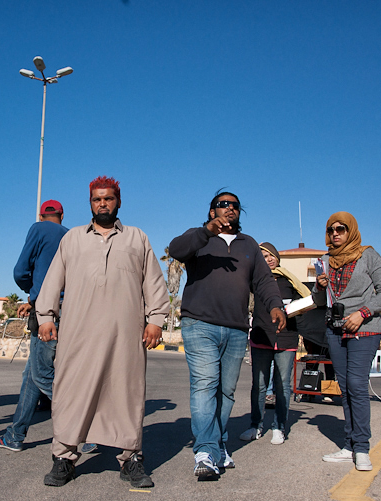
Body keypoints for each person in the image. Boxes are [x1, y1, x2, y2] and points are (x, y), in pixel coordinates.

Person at [35, 176, 169, 489]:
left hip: (125, 335)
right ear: (91, 203)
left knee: (126, 393)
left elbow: (153, 282)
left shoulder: (137, 238)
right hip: (77, 334)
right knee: (71, 392)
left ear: (118, 201)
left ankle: (131, 459)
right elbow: (53, 280)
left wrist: (156, 320)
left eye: (108, 199)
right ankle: (64, 458)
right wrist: (46, 316)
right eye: (97, 199)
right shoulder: (73, 240)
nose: (103, 204)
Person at [169, 191, 286, 479]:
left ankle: (219, 444)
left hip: (235, 328)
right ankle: (206, 450)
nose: (229, 209)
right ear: (212, 212)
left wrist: (275, 305)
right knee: (205, 385)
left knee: (226, 391)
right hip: (200, 324)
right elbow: (175, 249)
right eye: (223, 205)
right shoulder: (198, 237)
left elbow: (263, 281)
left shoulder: (249, 246)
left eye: (234, 206)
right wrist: (206, 232)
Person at [0, 200, 96, 454]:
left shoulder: (38, 229)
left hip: (46, 313)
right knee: (31, 375)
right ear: (61, 215)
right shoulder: (72, 236)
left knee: (42, 375)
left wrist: (33, 294)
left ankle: (87, 430)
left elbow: (19, 271)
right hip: (70, 311)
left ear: (41, 215)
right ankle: (15, 435)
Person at [314, 212, 381, 471]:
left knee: (357, 384)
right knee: (345, 386)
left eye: (341, 229)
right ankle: (348, 446)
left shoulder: (368, 255)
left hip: (365, 328)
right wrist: (318, 286)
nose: (335, 233)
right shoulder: (325, 260)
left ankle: (361, 447)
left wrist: (362, 313)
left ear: (351, 231)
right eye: (331, 229)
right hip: (334, 330)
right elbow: (319, 301)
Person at [241, 242, 311, 445]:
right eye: (263, 256)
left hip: (287, 338)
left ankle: (279, 426)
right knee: (259, 385)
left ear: (277, 258)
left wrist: (298, 309)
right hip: (261, 337)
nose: (268, 259)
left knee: (282, 386)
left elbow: (307, 301)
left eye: (271, 255)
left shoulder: (290, 280)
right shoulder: (255, 280)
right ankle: (255, 425)